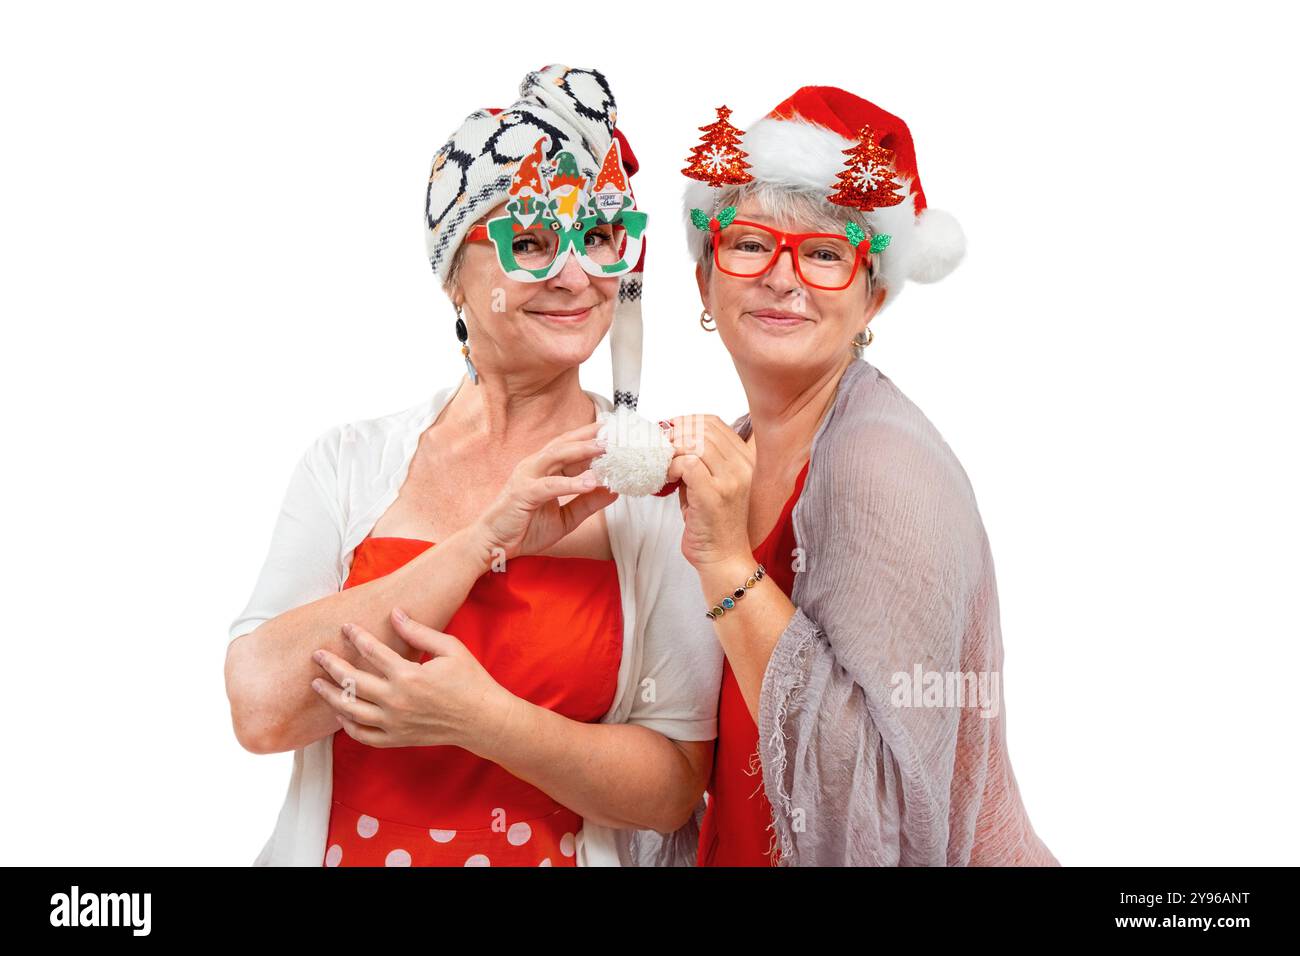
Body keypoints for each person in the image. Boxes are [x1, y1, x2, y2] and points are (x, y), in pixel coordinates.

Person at [224, 64, 722, 867]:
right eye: (529, 242)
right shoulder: (350, 465)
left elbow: (671, 786)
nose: (573, 277)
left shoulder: (645, 483)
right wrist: (482, 542)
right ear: (457, 276)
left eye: (598, 239)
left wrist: (486, 722)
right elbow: (260, 709)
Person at [666, 87, 1060, 865]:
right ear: (705, 279)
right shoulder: (739, 450)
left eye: (823, 253)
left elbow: (875, 809)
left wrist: (722, 562)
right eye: (749, 244)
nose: (784, 279)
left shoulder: (882, 468)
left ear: (874, 294)